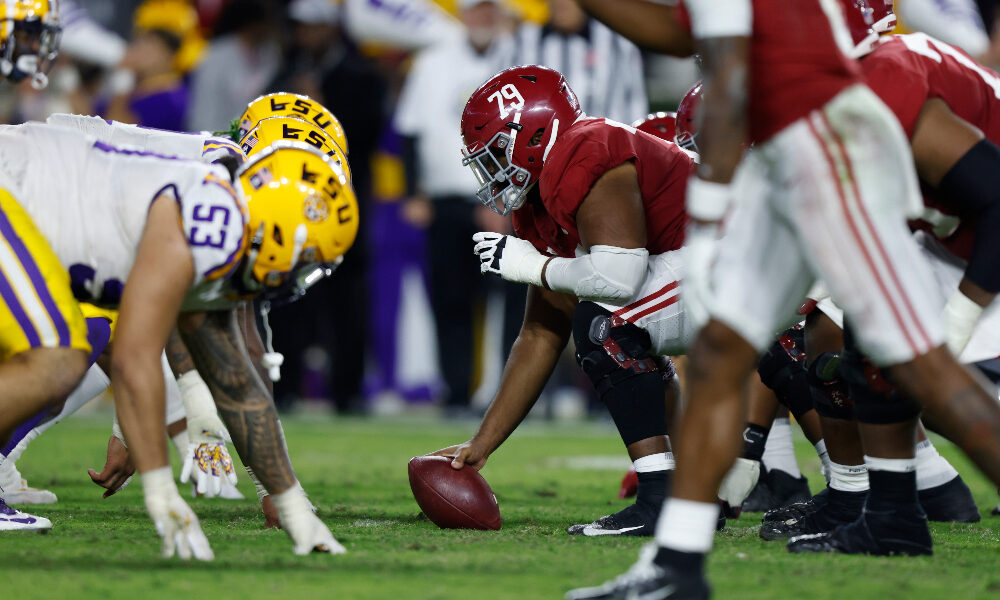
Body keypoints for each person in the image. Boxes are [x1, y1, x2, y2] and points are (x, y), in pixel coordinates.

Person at [567, 0, 1000, 598]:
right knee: (721, 350)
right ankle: (677, 565)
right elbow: (679, 35)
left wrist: (711, 206)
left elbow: (729, 71)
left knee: (924, 368)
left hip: (831, 152)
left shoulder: (888, 68)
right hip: (788, 154)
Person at [0, 119, 357, 557]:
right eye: (306, 259)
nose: (301, 277)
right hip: (12, 186)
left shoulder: (227, 226)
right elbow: (135, 358)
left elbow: (237, 385)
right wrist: (160, 490)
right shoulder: (212, 221)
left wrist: (290, 503)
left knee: (75, 348)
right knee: (57, 357)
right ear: (279, 232)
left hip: (29, 202)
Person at [430, 65, 707, 536]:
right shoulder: (537, 204)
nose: (490, 170)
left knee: (608, 325)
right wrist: (482, 444)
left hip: (742, 254)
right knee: (618, 327)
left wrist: (533, 267)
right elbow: (540, 333)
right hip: (712, 264)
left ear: (534, 134)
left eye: (496, 152)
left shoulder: (586, 147)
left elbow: (618, 276)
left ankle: (664, 499)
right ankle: (695, 494)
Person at [395, 0, 518, 416]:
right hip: (446, 200)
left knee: (511, 302)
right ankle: (457, 392)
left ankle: (510, 396)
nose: (484, 18)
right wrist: (414, 191)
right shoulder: (432, 61)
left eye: (489, 11)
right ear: (464, 15)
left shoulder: (517, 60)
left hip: (503, 202)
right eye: (477, 10)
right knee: (450, 300)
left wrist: (505, 198)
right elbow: (410, 130)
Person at [512, 0, 648, 124]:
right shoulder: (522, 41)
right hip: (540, 148)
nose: (562, 3)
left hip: (606, 147)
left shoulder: (618, 42)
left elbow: (635, 102)